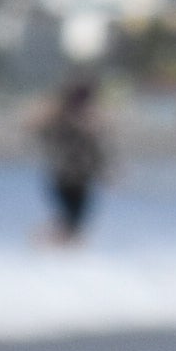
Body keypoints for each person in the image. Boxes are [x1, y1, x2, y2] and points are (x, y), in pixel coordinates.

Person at [36, 72, 110, 244]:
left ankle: (61, 250)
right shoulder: (58, 116)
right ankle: (50, 245)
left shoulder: (91, 119)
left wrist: (105, 170)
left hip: (82, 177)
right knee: (70, 221)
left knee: (76, 222)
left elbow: (98, 150)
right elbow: (40, 132)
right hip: (63, 175)